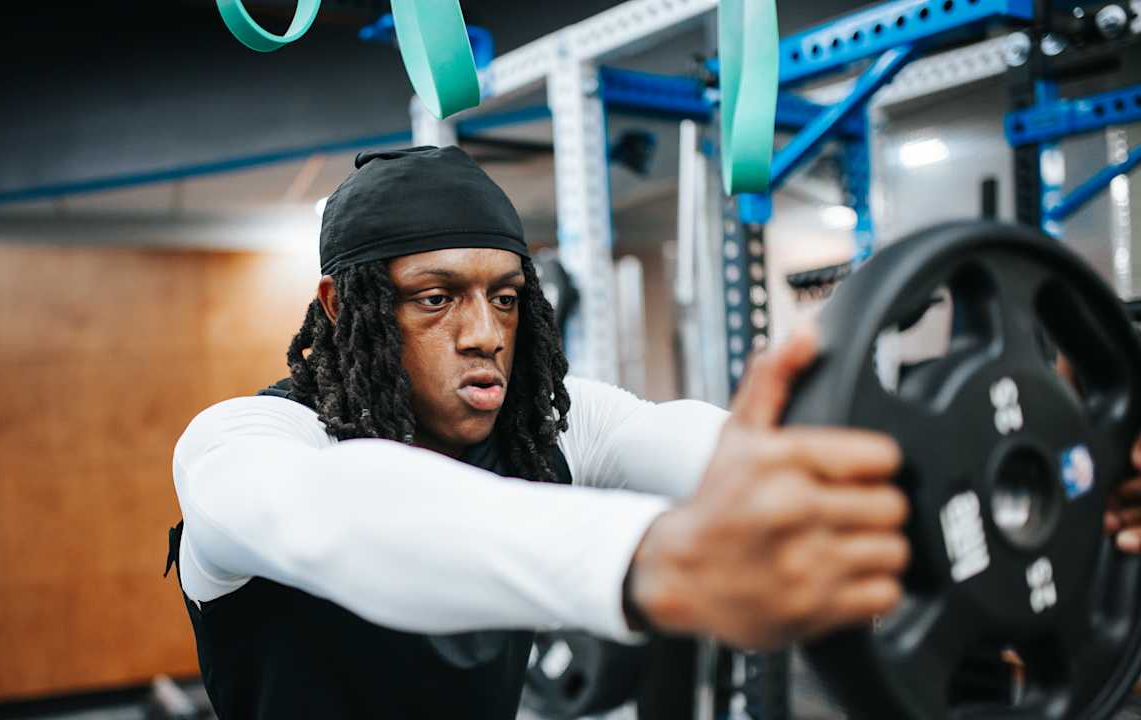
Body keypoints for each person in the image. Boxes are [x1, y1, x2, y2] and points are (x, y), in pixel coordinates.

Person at [165, 146, 1141, 719]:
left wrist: (1059, 487)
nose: (484, 332)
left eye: (504, 297)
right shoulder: (244, 446)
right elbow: (343, 514)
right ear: (343, 307)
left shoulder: (552, 427)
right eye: (435, 298)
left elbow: (696, 443)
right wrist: (662, 556)